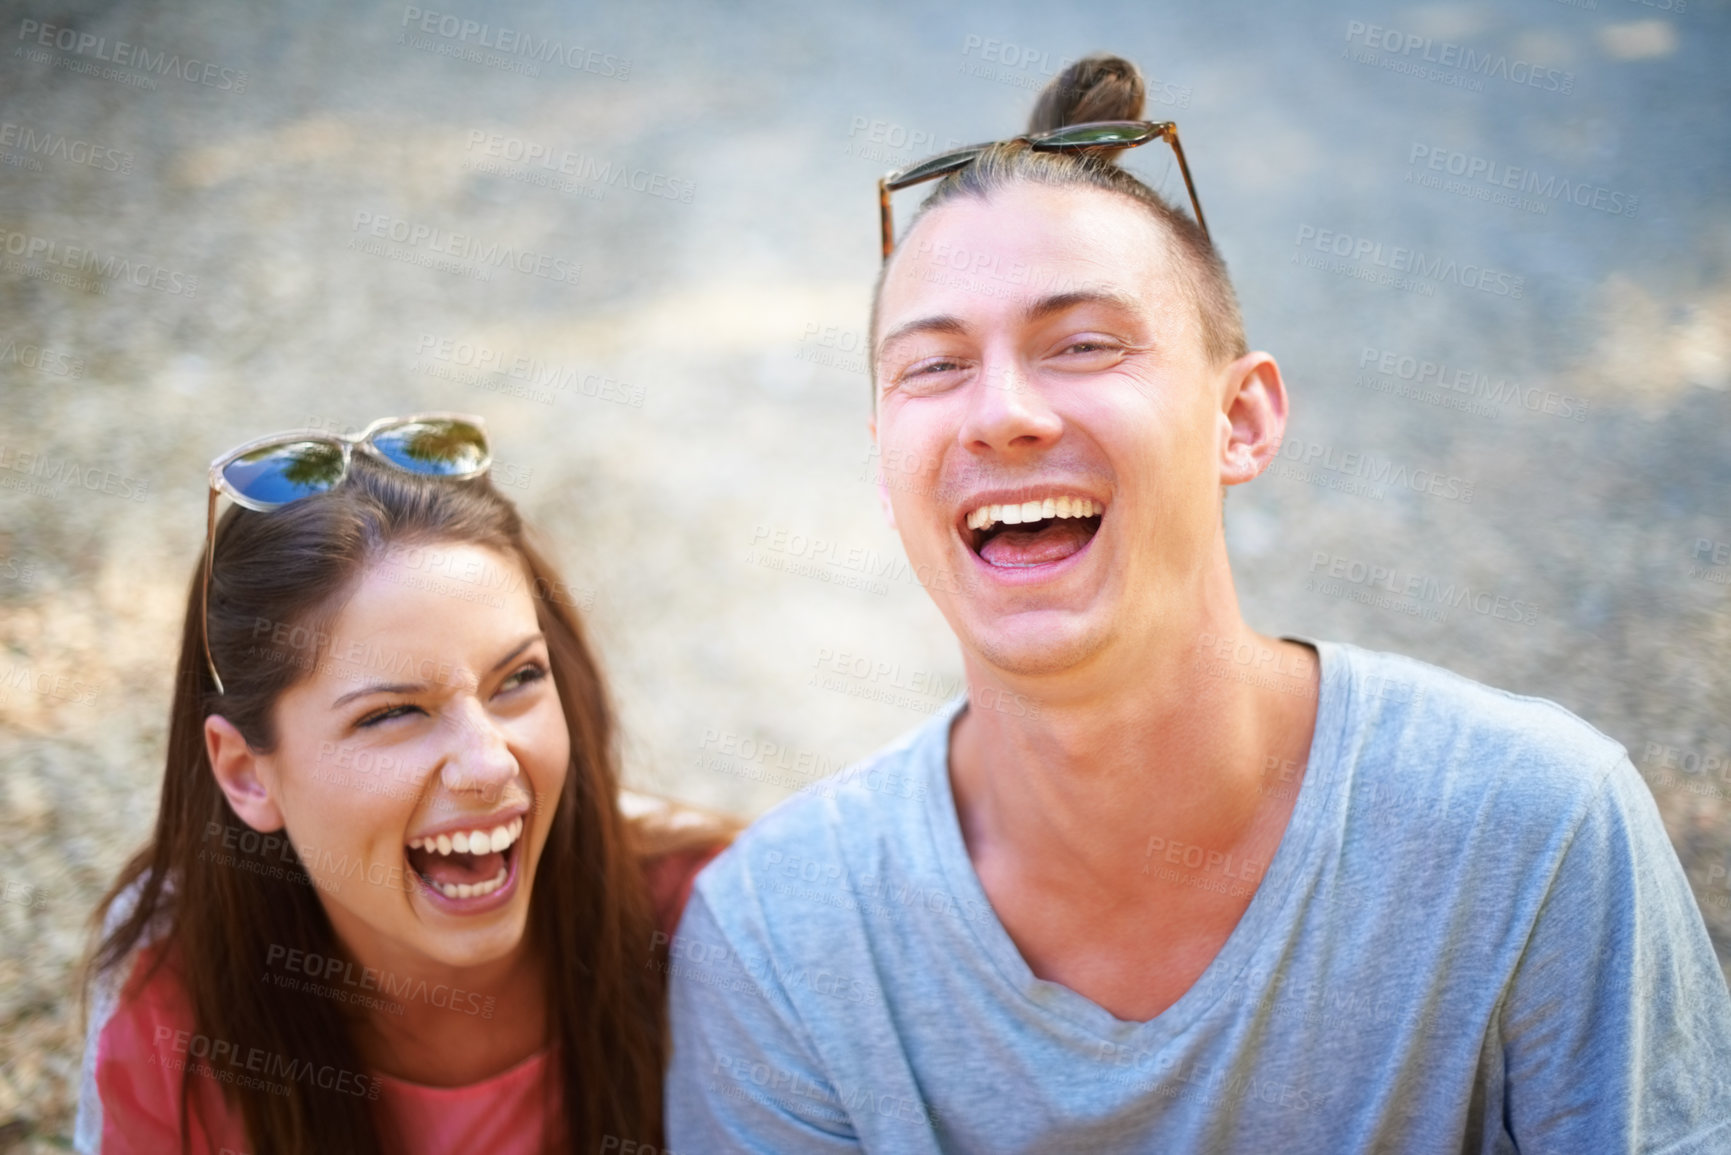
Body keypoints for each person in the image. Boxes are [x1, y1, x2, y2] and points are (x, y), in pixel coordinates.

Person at [665, 55, 1731, 1152]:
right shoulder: (778, 941)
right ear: (885, 467)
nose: (1003, 413)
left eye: (1082, 344)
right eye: (932, 368)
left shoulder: (1535, 837)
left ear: (1244, 419)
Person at [75, 414, 733, 1154]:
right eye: (392, 713)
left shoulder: (708, 921)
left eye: (517, 678)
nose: (489, 764)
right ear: (245, 773)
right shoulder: (171, 1012)